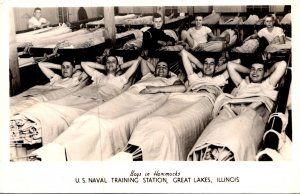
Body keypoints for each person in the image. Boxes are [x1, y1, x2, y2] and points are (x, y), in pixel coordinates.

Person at [187, 58, 287, 161]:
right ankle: (210, 151)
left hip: (253, 109)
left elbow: (282, 64)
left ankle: (225, 154)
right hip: (233, 108)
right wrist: (253, 72)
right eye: (253, 69)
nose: (255, 72)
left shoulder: (267, 84)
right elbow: (231, 65)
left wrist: (266, 73)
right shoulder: (242, 85)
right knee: (217, 126)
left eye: (259, 70)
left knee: (239, 126)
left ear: (265, 72)